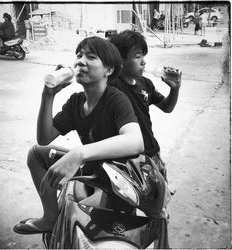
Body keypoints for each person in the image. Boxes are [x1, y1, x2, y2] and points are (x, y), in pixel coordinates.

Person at [12, 36, 144, 234]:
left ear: (108, 70)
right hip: (90, 169)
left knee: (79, 221)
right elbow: (44, 137)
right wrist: (48, 95)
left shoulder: (116, 99)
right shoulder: (76, 101)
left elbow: (136, 141)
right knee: (37, 153)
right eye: (79, 55)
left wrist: (79, 153)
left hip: (116, 181)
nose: (80, 61)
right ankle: (49, 218)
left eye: (91, 57)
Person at [109, 30, 182, 184]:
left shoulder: (145, 83)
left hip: (152, 152)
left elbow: (167, 107)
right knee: (130, 203)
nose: (143, 62)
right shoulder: (113, 86)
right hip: (129, 159)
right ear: (120, 60)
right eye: (137, 56)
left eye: (143, 56)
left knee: (160, 201)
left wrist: (175, 88)